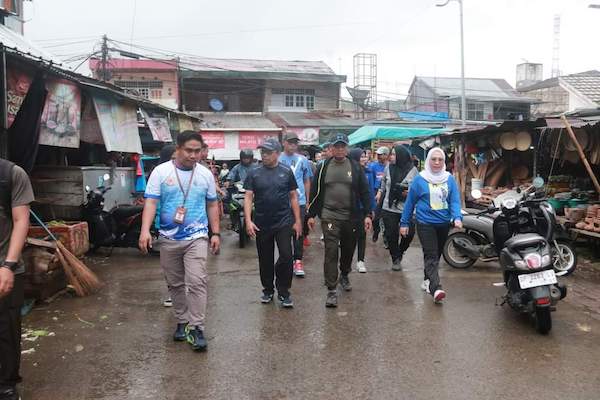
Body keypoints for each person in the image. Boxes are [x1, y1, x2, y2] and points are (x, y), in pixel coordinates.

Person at [139, 131, 221, 352]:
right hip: (168, 238)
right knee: (175, 284)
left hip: (197, 237)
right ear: (178, 149)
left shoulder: (204, 174)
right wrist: (145, 231)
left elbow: (212, 204)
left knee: (196, 281)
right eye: (189, 150)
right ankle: (182, 320)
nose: (194, 155)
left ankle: (197, 327)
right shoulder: (161, 172)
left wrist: (215, 233)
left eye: (198, 151)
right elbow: (151, 203)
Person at [307, 134, 372, 308]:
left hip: (351, 217)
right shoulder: (322, 168)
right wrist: (311, 215)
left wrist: (368, 214)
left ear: (347, 148)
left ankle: (344, 273)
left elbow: (365, 192)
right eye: (337, 146)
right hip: (329, 216)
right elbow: (315, 192)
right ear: (331, 148)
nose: (340, 149)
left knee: (348, 249)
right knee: (331, 250)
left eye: (343, 146)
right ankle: (331, 290)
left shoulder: (356, 168)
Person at [244, 138, 303, 308]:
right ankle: (268, 289)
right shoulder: (254, 173)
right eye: (262, 152)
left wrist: (298, 220)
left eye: (268, 152)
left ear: (277, 153)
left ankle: (284, 291)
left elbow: (293, 196)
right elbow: (248, 197)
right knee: (265, 258)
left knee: (286, 256)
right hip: (261, 222)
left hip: (284, 221)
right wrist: (248, 220)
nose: (264, 155)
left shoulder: (286, 171)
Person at [400, 147, 462, 304]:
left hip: (443, 223)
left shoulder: (449, 179)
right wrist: (404, 223)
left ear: (444, 162)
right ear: (428, 161)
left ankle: (427, 279)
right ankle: (436, 288)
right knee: (431, 254)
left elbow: (454, 200)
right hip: (425, 222)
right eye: (433, 159)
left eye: (440, 159)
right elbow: (409, 203)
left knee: (437, 253)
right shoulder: (420, 180)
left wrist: (457, 217)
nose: (437, 162)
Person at [0, 157, 34, 400]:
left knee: (6, 330)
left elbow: (21, 220)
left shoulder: (11, 174)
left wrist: (8, 265)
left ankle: (7, 384)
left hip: (5, 268)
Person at [379, 145, 419, 271]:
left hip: (407, 208)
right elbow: (384, 184)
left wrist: (409, 193)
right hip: (389, 207)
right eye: (391, 154)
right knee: (391, 235)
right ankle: (395, 258)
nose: (391, 157)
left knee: (409, 234)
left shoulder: (413, 170)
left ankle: (401, 251)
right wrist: (380, 192)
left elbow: (417, 189)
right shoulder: (388, 168)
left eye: (394, 154)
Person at [278, 132, 313, 277]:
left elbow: (306, 180)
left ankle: (298, 260)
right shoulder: (278, 158)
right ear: (284, 143)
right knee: (283, 232)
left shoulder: (303, 160)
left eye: (295, 143)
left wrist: (307, 200)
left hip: (300, 202)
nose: (293, 145)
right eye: (290, 142)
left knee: (298, 232)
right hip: (281, 202)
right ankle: (285, 260)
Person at [349, 148, 376, 273]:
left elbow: (370, 192)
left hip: (362, 209)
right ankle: (347, 261)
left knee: (362, 235)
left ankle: (361, 261)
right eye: (361, 156)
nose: (364, 159)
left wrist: (370, 211)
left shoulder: (370, 172)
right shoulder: (348, 172)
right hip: (349, 209)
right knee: (349, 237)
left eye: (365, 156)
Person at [369, 146, 390, 244]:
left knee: (386, 217)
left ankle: (386, 236)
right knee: (375, 216)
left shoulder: (390, 167)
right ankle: (376, 230)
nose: (378, 156)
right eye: (377, 154)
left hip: (387, 193)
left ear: (386, 155)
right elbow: (371, 180)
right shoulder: (373, 166)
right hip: (375, 193)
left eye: (380, 154)